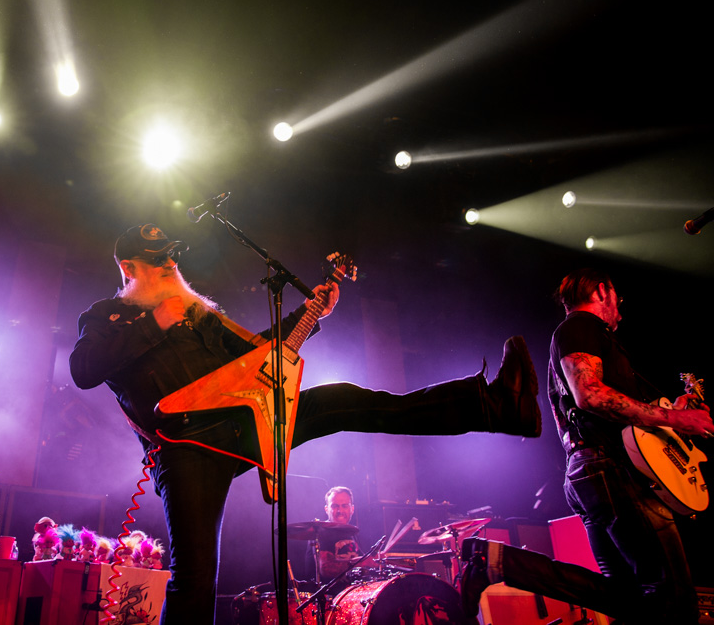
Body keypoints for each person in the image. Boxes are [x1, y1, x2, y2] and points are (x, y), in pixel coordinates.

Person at [70, 223, 541, 625]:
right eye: (157, 260)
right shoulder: (107, 317)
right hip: (184, 447)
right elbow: (83, 369)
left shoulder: (200, 317)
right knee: (195, 575)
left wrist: (308, 314)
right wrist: (155, 323)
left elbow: (259, 357)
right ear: (129, 268)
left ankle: (494, 405)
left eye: (171, 256)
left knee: (346, 400)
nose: (170, 265)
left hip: (240, 422)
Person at [459, 268, 713, 624]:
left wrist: (671, 411)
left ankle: (499, 562)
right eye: (617, 301)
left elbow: (595, 409)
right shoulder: (579, 327)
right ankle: (498, 563)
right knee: (675, 601)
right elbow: (590, 395)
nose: (620, 313)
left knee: (625, 598)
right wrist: (675, 420)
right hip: (612, 472)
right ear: (601, 290)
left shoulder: (572, 339)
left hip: (591, 472)